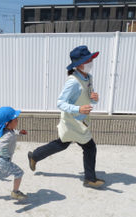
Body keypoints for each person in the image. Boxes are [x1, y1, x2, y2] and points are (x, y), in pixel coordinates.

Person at [27, 45, 105, 188]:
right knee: (89, 147)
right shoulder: (73, 81)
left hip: (81, 120)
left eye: (91, 59)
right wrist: (78, 108)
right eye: (88, 60)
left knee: (62, 144)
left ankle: (35, 156)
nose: (91, 63)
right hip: (72, 121)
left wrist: (94, 98)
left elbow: (88, 97)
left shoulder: (88, 77)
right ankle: (89, 179)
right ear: (80, 64)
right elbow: (60, 103)